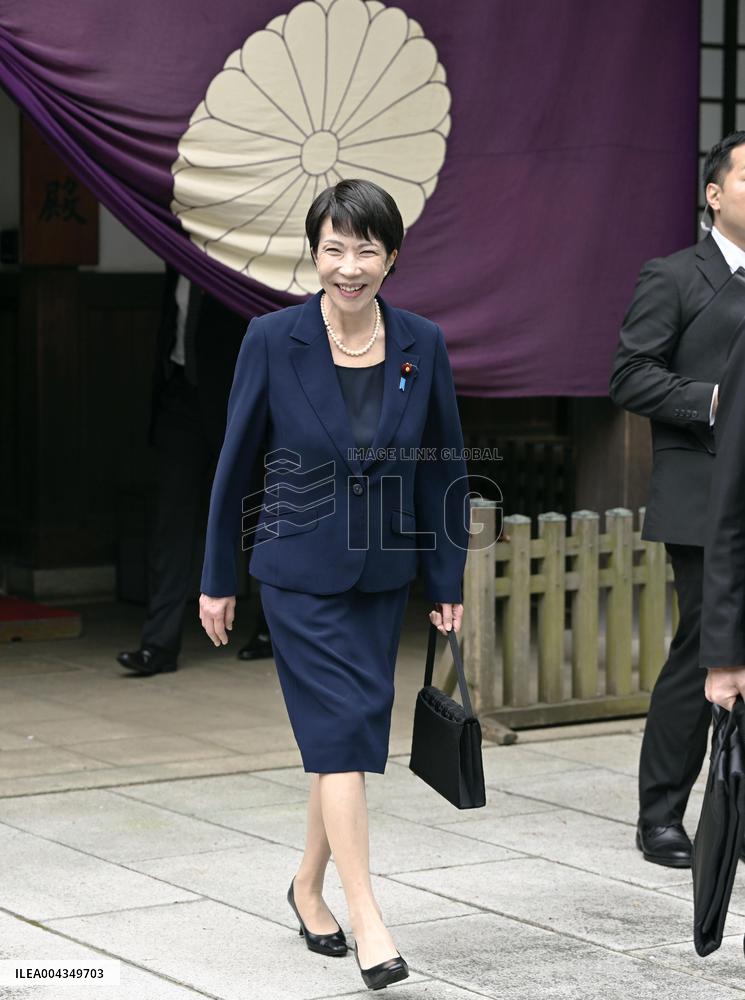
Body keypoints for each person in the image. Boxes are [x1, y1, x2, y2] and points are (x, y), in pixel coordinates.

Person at [198, 179, 470, 991]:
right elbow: (232, 462)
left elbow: (442, 466)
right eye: (332, 248)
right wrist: (217, 578)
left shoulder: (422, 343)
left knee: (342, 742)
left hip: (382, 574)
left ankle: (306, 886)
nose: (348, 266)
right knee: (343, 737)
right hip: (297, 573)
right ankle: (369, 920)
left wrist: (444, 573)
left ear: (391, 256)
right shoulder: (271, 339)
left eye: (365, 249)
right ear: (313, 252)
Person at [609, 132, 745, 867]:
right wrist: (717, 399)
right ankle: (660, 812)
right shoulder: (672, 275)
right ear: (713, 194)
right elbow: (629, 376)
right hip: (702, 492)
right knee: (703, 649)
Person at [117, 266, 272, 677]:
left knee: (256, 515)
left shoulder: (237, 256)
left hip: (234, 402)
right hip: (180, 398)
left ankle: (271, 631)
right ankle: (159, 643)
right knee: (171, 521)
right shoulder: (174, 256)